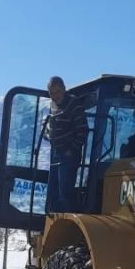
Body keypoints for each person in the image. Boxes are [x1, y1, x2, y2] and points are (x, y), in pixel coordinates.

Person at [45, 76, 89, 212]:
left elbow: (83, 129)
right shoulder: (52, 106)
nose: (54, 96)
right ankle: (52, 219)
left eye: (57, 92)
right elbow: (50, 126)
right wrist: (47, 132)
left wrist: (72, 149)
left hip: (69, 154)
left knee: (65, 189)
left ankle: (65, 220)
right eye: (51, 93)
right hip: (55, 152)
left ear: (64, 89)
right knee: (53, 189)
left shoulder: (74, 104)